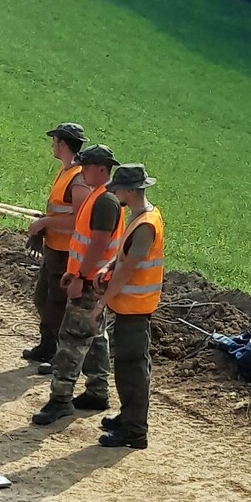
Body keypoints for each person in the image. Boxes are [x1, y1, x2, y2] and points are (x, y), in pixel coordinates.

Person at [32, 144, 124, 426]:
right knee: (96, 338)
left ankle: (60, 400)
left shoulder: (104, 201)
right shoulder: (101, 196)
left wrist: (80, 277)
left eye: (86, 167)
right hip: (94, 280)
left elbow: (97, 244)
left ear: (101, 169)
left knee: (71, 341)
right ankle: (97, 391)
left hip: (90, 281)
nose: (81, 172)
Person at [92, 163, 163, 449]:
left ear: (132, 190)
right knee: (126, 368)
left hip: (135, 308)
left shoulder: (145, 224)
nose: (114, 193)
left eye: (118, 188)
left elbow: (128, 270)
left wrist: (101, 303)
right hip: (129, 307)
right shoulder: (140, 215)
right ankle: (128, 417)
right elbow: (123, 257)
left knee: (132, 370)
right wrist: (107, 265)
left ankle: (134, 432)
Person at [22, 123, 91, 373]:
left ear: (62, 144)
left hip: (66, 252)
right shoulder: (66, 172)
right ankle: (47, 345)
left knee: (57, 305)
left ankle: (60, 355)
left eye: (55, 141)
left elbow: (78, 219)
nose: (52, 144)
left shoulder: (79, 179)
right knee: (44, 298)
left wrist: (45, 222)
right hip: (54, 247)